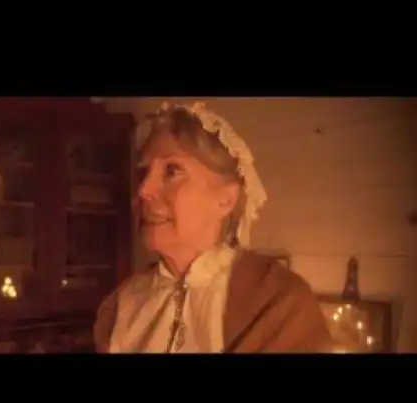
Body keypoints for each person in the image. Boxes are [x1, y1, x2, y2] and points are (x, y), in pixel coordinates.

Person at [94, 101, 333, 353]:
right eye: (143, 174)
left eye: (172, 171)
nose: (144, 190)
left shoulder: (278, 303)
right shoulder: (122, 305)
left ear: (225, 200)